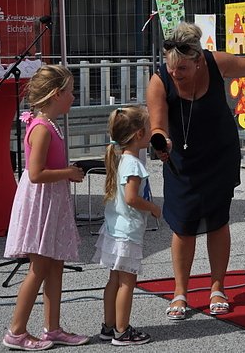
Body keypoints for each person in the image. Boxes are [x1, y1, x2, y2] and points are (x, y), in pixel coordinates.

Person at [146, 22, 245, 319]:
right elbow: (157, 124)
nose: (175, 73)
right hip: (181, 159)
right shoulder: (160, 81)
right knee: (183, 225)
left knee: (218, 220)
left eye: (181, 69)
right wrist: (161, 141)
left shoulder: (214, 61)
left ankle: (217, 287)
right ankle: (180, 291)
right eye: (171, 68)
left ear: (197, 61)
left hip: (220, 155)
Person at [2, 64, 88, 351]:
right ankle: (16, 331)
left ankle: (52, 327)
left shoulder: (47, 125)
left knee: (55, 265)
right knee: (39, 267)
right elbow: (36, 173)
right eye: (70, 92)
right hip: (42, 201)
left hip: (52, 200)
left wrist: (65, 173)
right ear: (55, 94)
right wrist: (68, 173)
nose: (73, 98)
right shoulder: (41, 128)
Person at [93, 106, 161, 346]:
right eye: (150, 126)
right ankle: (122, 331)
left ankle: (109, 325)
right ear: (139, 134)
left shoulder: (120, 159)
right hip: (127, 233)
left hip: (114, 229)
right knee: (126, 283)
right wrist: (152, 207)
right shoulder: (134, 165)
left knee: (114, 280)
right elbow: (132, 197)